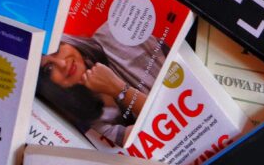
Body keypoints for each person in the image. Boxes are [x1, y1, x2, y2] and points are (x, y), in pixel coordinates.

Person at [37, 21, 167, 146]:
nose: (63, 64)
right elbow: (164, 125)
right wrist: (117, 88)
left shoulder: (115, 34)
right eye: (49, 68)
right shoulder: (89, 124)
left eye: (57, 49)